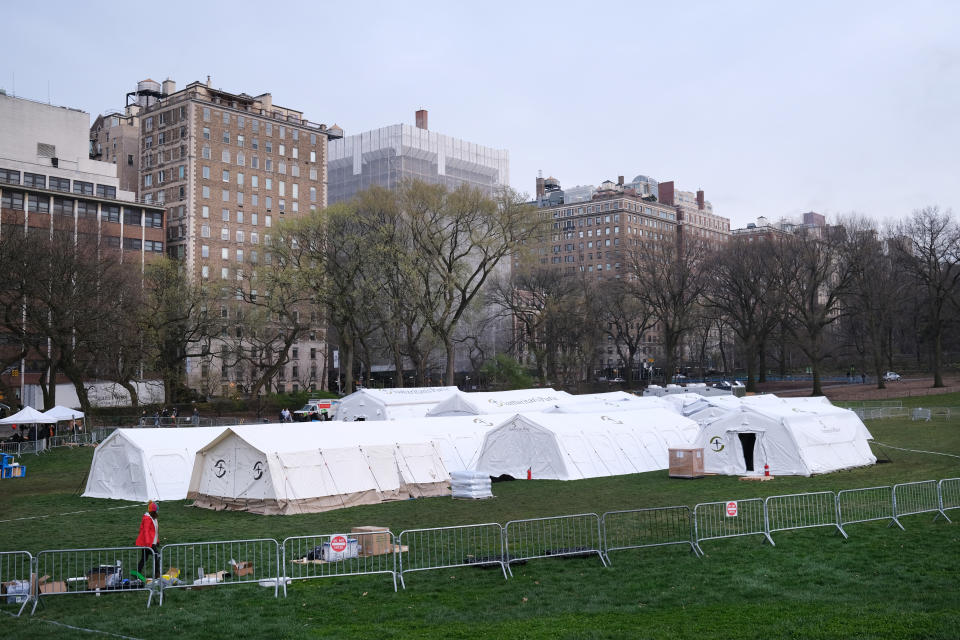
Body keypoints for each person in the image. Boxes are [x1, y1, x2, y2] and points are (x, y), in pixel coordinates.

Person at [135, 500, 161, 577]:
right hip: (148, 544)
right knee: (157, 556)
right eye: (156, 511)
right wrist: (147, 544)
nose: (157, 512)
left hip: (151, 543)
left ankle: (137, 573)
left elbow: (155, 531)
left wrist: (157, 541)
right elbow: (145, 531)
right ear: (153, 511)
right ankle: (157, 573)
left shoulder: (153, 519)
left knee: (144, 559)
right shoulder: (147, 519)